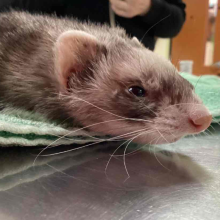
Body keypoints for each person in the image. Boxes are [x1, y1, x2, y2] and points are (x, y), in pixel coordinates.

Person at [0, 0, 186, 50]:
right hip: (54, 65)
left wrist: (148, 7)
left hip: (135, 73)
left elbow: (175, 23)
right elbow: (8, 11)